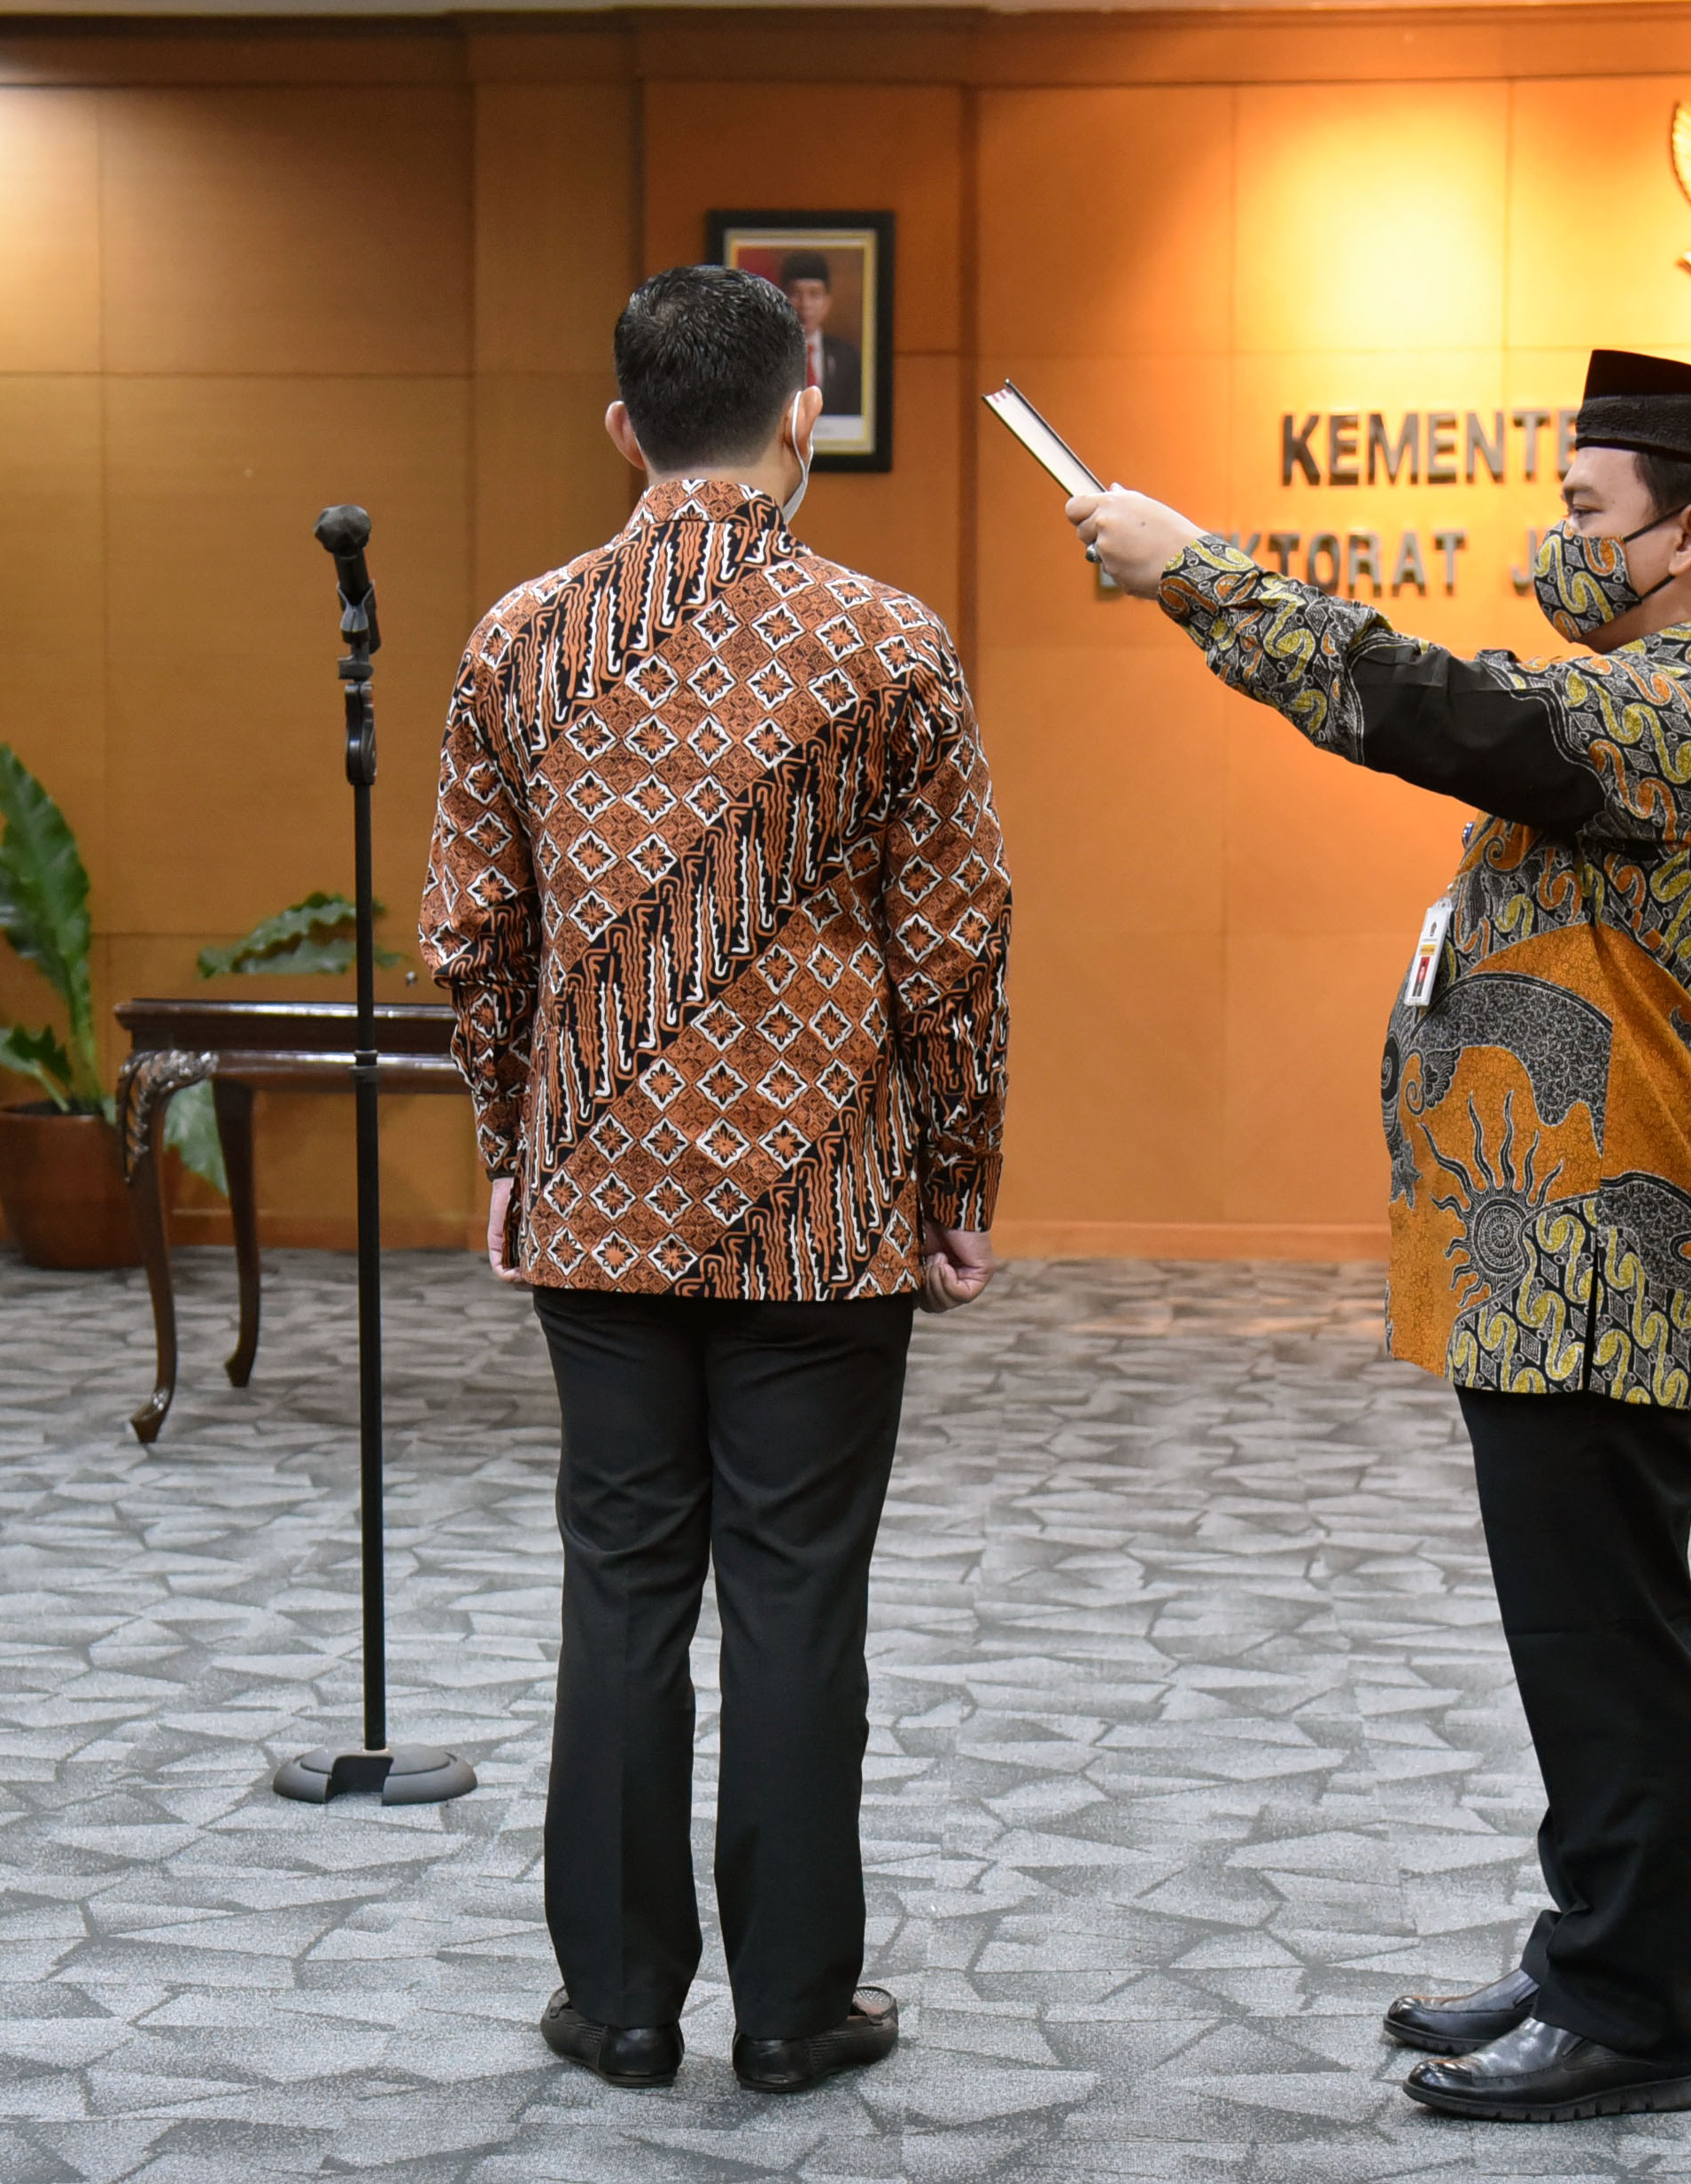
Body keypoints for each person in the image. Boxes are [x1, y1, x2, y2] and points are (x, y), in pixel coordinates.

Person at [1070, 351, 1691, 2124]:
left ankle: (1630, 2014)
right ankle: (1585, 1954)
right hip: (1545, 1248)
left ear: (1683, 535)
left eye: (1581, 509)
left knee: (1605, 1642)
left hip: (1602, 1252)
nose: (1552, 538)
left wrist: (1198, 574)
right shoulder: (1654, 686)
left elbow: (1429, 705)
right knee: (1576, 1637)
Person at [421, 263, 1009, 2097]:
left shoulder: (516, 638)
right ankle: (787, 2006)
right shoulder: (887, 642)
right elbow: (953, 945)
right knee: (793, 1598)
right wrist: (960, 1176)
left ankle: (617, 2003)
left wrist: (508, 1144)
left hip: (597, 1196)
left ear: (622, 429)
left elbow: (472, 935)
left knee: (620, 1587)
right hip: (823, 1208)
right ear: (800, 417)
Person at [774, 249, 862, 421]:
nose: (805, 304)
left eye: (814, 294)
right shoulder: (768, 356)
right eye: (796, 294)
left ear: (827, 302)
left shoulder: (847, 358)